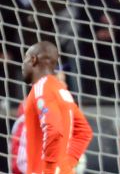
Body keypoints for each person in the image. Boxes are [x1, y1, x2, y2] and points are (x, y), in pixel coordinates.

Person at [21, 41, 93, 173]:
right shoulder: (62, 90)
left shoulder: (41, 88)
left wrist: (49, 169)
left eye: (25, 59)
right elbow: (84, 132)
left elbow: (53, 129)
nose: (22, 65)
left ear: (33, 59)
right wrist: (66, 164)